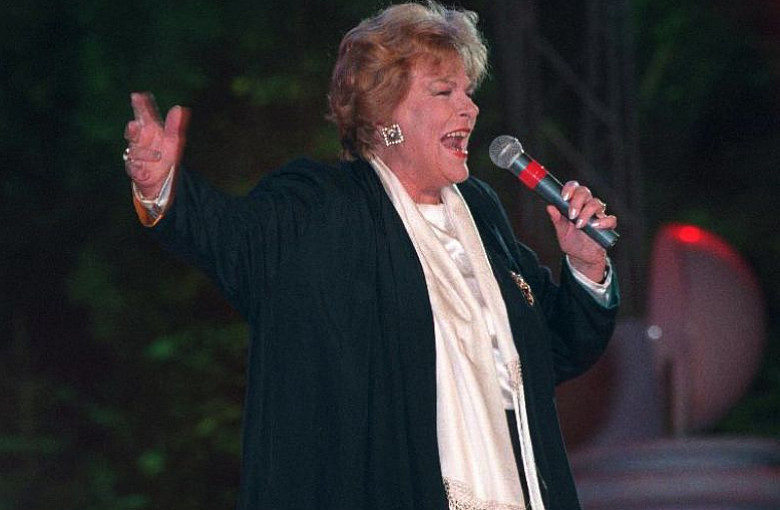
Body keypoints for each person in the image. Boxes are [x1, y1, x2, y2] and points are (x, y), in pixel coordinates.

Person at [122, 3, 618, 510]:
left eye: (468, 92)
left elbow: (554, 347)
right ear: (386, 114)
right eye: (444, 91)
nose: (469, 109)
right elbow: (235, 240)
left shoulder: (480, 211)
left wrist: (585, 266)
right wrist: (165, 188)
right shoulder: (328, 207)